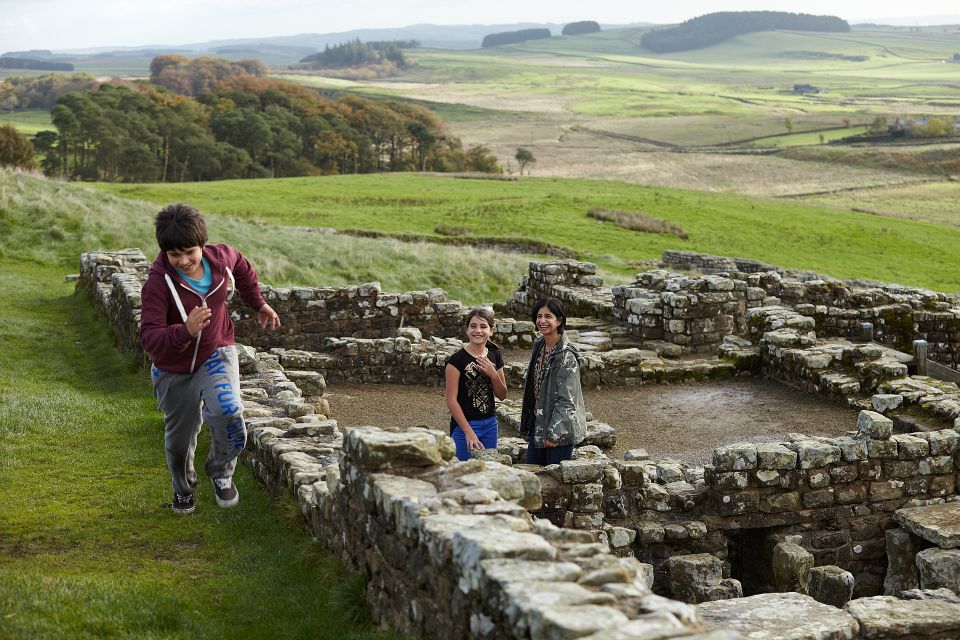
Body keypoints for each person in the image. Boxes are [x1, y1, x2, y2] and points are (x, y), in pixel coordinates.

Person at [140, 203, 281, 515]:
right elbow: (150, 339)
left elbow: (243, 269)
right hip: (173, 369)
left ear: (202, 244)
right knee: (179, 444)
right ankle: (183, 489)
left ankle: (221, 471)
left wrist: (258, 303)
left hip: (216, 352)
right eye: (174, 255)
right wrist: (185, 331)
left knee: (230, 415)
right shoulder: (157, 284)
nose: (183, 261)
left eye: (190, 251)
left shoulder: (222, 258)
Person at [519, 297, 586, 465]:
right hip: (539, 424)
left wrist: (554, 434)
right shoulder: (539, 344)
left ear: (559, 320)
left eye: (548, 316)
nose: (542, 321)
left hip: (558, 432)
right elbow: (532, 389)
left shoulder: (566, 356)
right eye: (539, 316)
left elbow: (568, 400)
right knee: (533, 476)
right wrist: (528, 426)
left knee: (554, 484)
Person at [444, 307, 507, 461]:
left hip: (491, 424)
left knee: (488, 470)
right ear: (467, 330)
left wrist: (493, 374)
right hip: (464, 426)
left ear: (491, 330)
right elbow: (451, 400)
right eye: (473, 326)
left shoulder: (495, 354)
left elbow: (502, 395)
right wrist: (468, 431)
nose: (477, 330)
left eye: (483, 326)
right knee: (461, 472)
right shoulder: (456, 360)